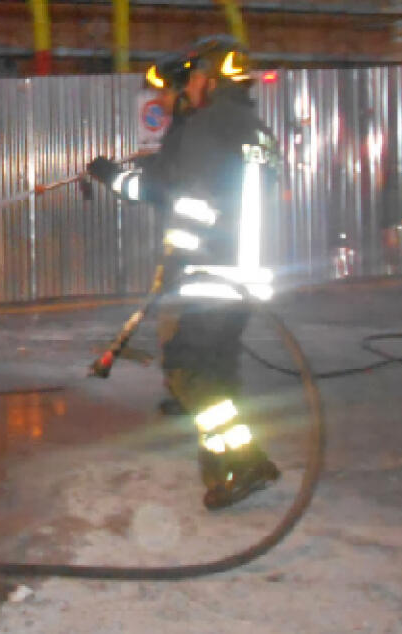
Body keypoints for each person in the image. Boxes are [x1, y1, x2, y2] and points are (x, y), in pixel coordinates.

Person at [85, 35, 281, 510]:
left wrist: (115, 177)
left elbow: (183, 199)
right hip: (246, 276)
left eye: (193, 79)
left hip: (210, 275)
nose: (188, 89)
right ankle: (232, 469)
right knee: (216, 373)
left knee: (190, 373)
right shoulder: (255, 130)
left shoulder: (206, 128)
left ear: (208, 80)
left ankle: (246, 460)